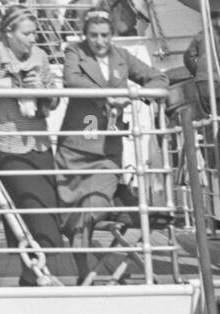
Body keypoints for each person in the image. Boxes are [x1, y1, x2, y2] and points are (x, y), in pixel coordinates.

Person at [0, 9, 77, 286]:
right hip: (9, 148)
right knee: (32, 214)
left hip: (39, 146)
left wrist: (42, 91)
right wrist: (2, 84)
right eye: (26, 34)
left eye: (34, 33)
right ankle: (36, 277)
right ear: (9, 33)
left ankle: (32, 279)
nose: (33, 39)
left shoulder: (40, 57)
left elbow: (54, 102)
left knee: (46, 215)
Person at [58, 8, 167, 283]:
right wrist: (109, 96)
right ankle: (85, 273)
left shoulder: (122, 57)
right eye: (93, 35)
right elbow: (72, 79)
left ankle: (103, 267)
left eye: (104, 35)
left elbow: (158, 78)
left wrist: (137, 94)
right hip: (79, 141)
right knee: (76, 217)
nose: (99, 41)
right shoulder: (75, 52)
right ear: (85, 35)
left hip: (107, 150)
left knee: (94, 208)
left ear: (112, 35)